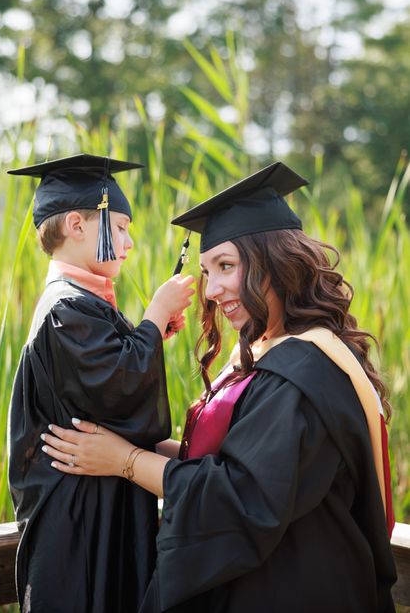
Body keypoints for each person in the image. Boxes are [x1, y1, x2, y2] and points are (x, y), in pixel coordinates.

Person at [41, 161, 397, 613]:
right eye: (207, 271)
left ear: (276, 263)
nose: (211, 290)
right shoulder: (266, 357)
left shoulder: (303, 375)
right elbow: (227, 459)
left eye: (226, 266)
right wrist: (118, 447)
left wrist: (127, 462)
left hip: (298, 590)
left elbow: (239, 495)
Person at [7, 153, 195, 613]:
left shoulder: (81, 303)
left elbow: (102, 393)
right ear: (76, 225)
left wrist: (148, 338)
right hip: (78, 517)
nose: (130, 243)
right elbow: (118, 385)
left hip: (98, 502)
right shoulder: (65, 308)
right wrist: (153, 316)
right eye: (123, 227)